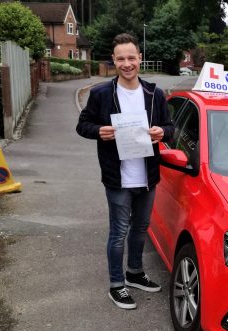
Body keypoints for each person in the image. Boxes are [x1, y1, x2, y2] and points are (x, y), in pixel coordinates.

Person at [76, 33, 174, 309]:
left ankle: (134, 273)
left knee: (141, 229)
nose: (127, 63)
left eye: (131, 57)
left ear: (139, 58)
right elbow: (82, 125)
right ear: (114, 61)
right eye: (121, 59)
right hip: (117, 177)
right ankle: (117, 284)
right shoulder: (101, 94)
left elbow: (171, 128)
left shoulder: (154, 94)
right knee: (118, 232)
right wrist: (99, 131)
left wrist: (161, 132)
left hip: (147, 176)